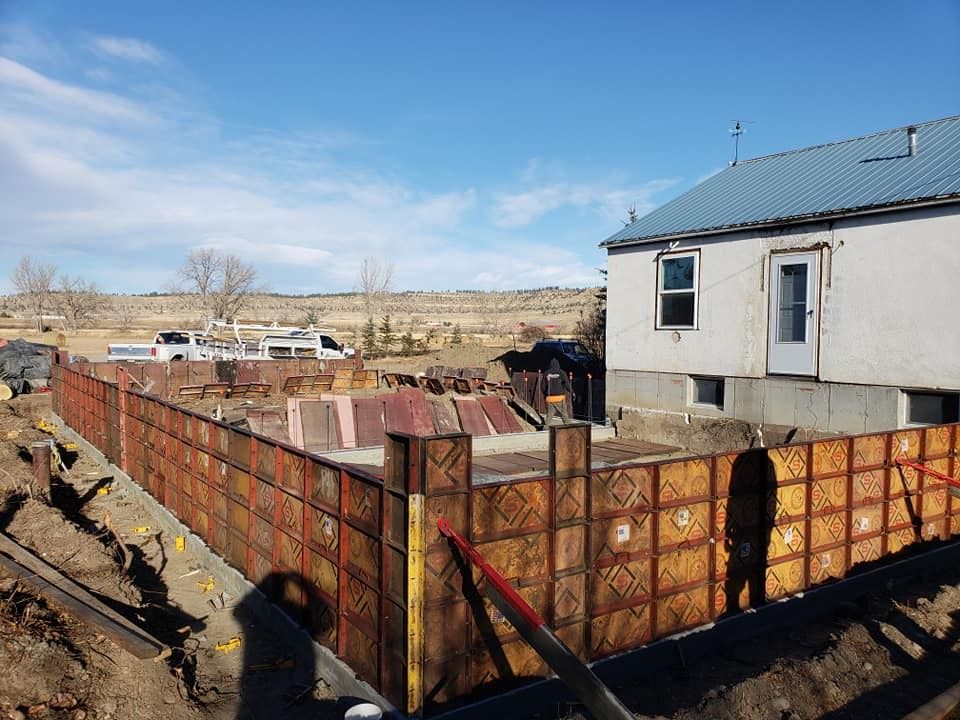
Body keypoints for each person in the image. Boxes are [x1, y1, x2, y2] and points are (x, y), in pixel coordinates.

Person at [541, 358, 572, 425]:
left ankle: (545, 429)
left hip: (550, 398)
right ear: (558, 365)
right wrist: (572, 392)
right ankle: (568, 428)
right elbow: (567, 384)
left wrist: (545, 394)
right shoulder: (562, 372)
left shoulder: (546, 373)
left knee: (549, 416)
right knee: (564, 415)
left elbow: (543, 387)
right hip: (560, 398)